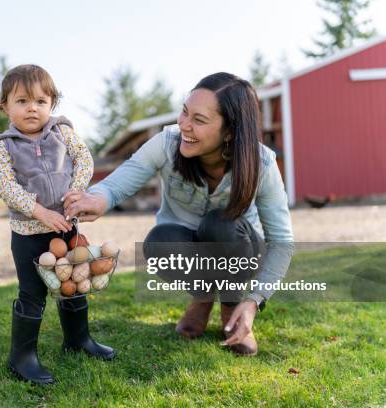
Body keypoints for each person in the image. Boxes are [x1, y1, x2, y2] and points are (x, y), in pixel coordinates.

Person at [63, 72, 294, 356]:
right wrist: (99, 199)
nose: (184, 125)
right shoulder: (167, 142)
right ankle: (203, 297)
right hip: (186, 244)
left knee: (219, 225)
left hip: (242, 249)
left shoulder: (262, 164)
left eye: (199, 120)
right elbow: (121, 179)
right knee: (160, 241)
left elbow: (281, 241)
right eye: (185, 112)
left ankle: (232, 307)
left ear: (230, 131)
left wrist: (254, 300)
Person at [0, 64, 115, 385]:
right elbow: (5, 185)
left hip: (65, 229)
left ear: (52, 104)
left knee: (72, 283)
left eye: (41, 101)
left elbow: (85, 159)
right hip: (29, 234)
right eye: (21, 101)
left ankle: (78, 340)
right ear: (5, 106)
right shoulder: (5, 146)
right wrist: (39, 211)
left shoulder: (62, 132)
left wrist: (76, 190)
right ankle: (22, 358)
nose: (32, 108)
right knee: (32, 293)